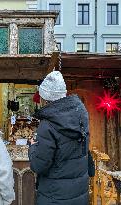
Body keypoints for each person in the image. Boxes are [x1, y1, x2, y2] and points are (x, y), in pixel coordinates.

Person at [29, 71, 90, 205]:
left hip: (55, 195)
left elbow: (38, 165)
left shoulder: (48, 125)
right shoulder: (81, 115)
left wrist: (32, 147)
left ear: (44, 98)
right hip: (79, 192)